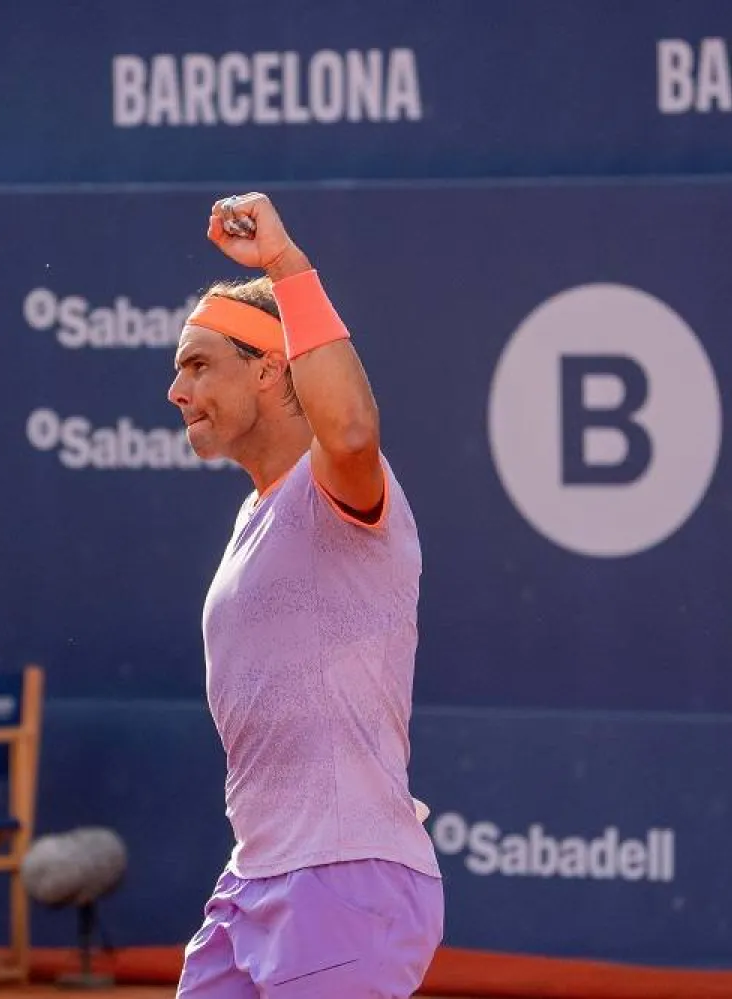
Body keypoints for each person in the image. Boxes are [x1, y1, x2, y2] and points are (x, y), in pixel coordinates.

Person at [167, 194, 444, 998]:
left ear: (268, 366)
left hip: (344, 877)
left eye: (197, 364)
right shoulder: (255, 514)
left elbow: (351, 431)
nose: (177, 392)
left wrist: (286, 267)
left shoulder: (337, 491)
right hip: (256, 881)